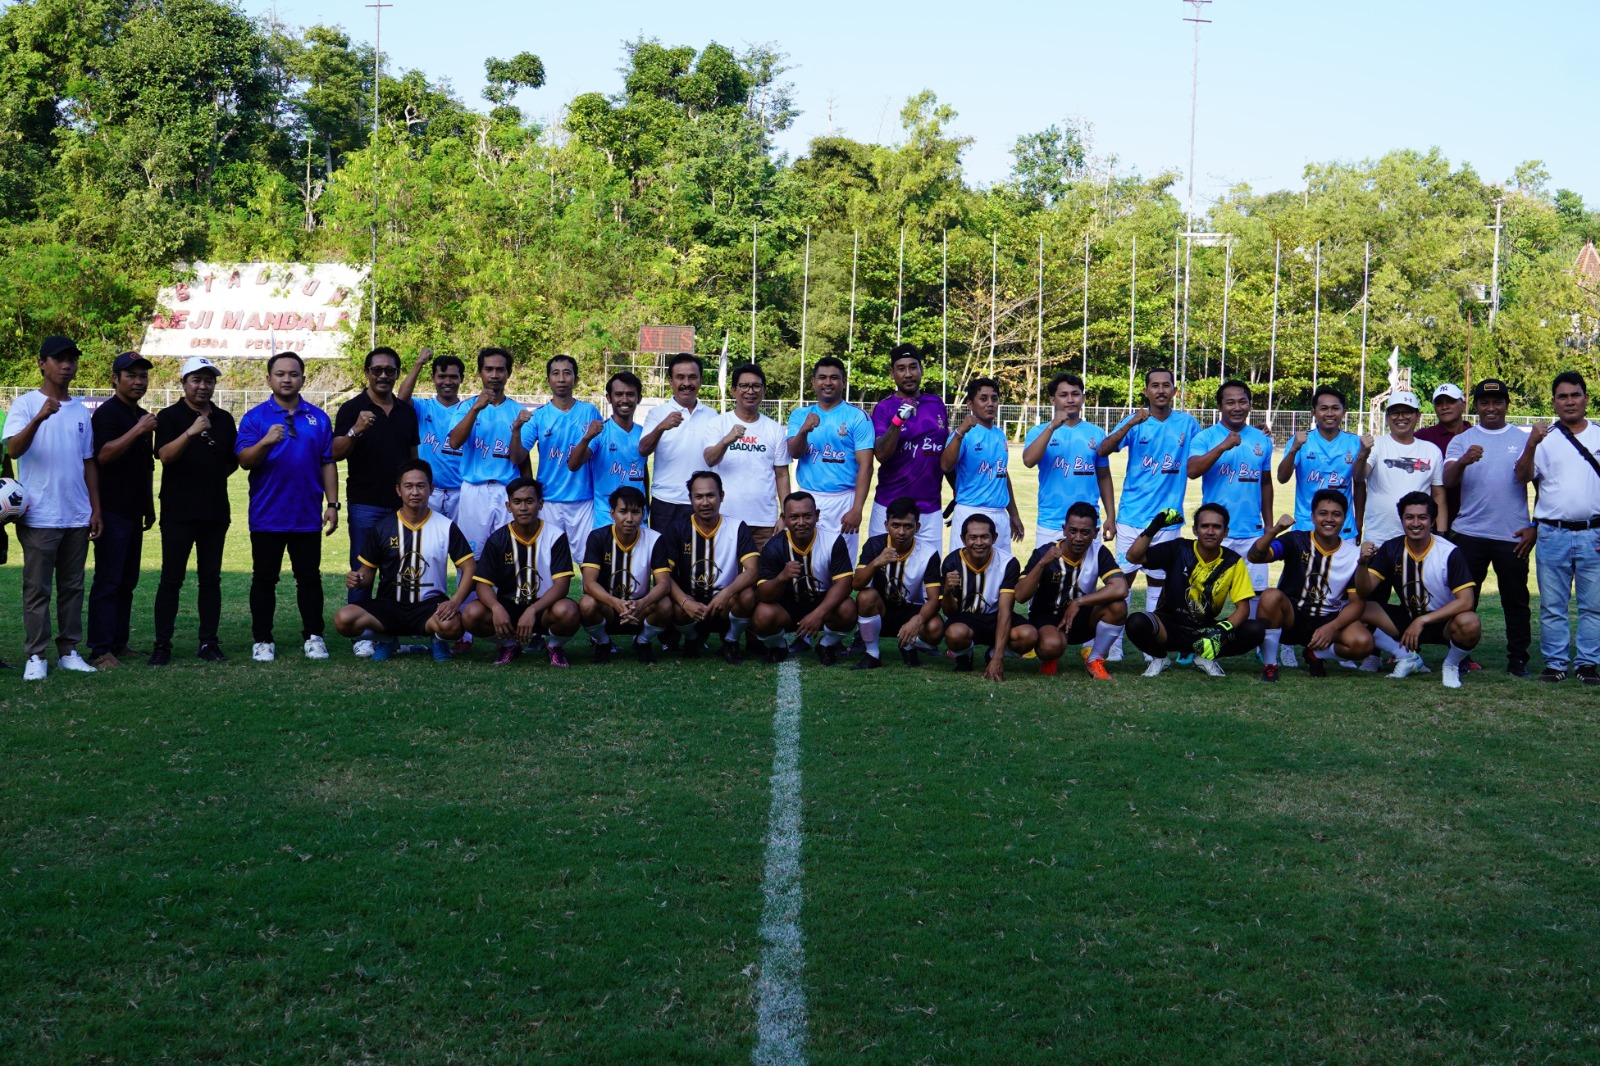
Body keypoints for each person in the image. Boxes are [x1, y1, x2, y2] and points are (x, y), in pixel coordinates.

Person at [3, 336, 102, 680]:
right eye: (59, 359)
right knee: (37, 588)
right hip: (39, 514)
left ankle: (69, 651)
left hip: (76, 514)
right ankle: (36, 656)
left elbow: (88, 461)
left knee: (73, 587)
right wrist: (40, 418)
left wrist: (95, 509)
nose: (67, 365)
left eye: (72, 359)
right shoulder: (26, 404)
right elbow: (14, 450)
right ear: (42, 363)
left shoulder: (80, 410)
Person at [235, 351, 339, 663]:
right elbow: (243, 461)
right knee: (264, 579)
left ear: (303, 379)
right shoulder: (255, 418)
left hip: (306, 516)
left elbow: (328, 462)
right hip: (267, 516)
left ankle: (314, 636)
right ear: (269, 379)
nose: (286, 379)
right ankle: (263, 639)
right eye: (280, 374)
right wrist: (265, 441)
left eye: (293, 374)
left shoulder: (318, 418)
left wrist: (333, 505)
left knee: (309, 578)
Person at [1098, 368, 1202, 656]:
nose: (1160, 390)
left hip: (1167, 520)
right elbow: (1104, 450)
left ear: (1174, 391)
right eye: (1154, 385)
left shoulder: (1188, 424)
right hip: (1132, 517)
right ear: (1145, 391)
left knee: (1159, 582)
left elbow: (1207, 449)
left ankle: (1150, 641)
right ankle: (1114, 644)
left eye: (1166, 385)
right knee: (1123, 582)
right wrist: (1130, 422)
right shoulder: (1137, 421)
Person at [334, 459, 475, 661]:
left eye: (420, 486)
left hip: (429, 605)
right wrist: (357, 578)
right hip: (389, 605)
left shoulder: (446, 527)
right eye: (408, 486)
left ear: (431, 489)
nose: (415, 492)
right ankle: (387, 639)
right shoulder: (383, 528)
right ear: (399, 490)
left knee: (452, 626)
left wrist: (455, 601)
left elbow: (469, 566)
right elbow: (367, 572)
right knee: (343, 620)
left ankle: (437, 640)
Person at [1443, 378, 1535, 677]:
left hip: (1512, 534)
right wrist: (1464, 461)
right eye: (1484, 402)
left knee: (1516, 600)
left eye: (1497, 402)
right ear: (1476, 406)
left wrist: (1534, 526)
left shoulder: (1523, 438)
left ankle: (1518, 659)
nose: (1491, 408)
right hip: (1470, 533)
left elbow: (1541, 484)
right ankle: (1459, 657)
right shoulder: (1462, 440)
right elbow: (1448, 480)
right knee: (1464, 599)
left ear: (1507, 404)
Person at [333, 346, 420, 656]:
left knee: (398, 570)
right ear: (367, 373)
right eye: (377, 370)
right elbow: (335, 452)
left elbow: (413, 458)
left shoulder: (407, 411)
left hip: (401, 506)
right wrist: (356, 429)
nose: (383, 375)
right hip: (365, 503)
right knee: (362, 568)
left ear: (397, 373)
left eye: (390, 370)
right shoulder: (351, 409)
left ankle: (393, 630)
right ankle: (362, 634)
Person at [150, 356, 237, 665]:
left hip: (214, 511)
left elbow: (230, 462)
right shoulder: (170, 416)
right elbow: (165, 456)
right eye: (196, 380)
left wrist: (209, 477)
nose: (203, 386)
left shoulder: (225, 419)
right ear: (183, 383)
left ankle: (208, 642)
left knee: (210, 579)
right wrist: (191, 431)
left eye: (208, 380)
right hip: (178, 511)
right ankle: (162, 645)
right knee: (171, 579)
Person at [1515, 371, 1600, 684]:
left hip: (1594, 533)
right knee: (1553, 606)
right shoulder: (1545, 439)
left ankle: (1588, 664)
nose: (1569, 401)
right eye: (1562, 396)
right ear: (1553, 402)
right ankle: (1556, 664)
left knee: (1594, 606)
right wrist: (1531, 443)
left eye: (1575, 395)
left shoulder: (1599, 435)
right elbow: (1522, 476)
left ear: (1586, 398)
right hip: (1552, 533)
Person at [1124, 504, 1265, 677]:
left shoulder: (1233, 562)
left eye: (1217, 527)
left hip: (1205, 632)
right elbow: (1133, 556)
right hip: (1167, 628)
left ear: (1226, 532)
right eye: (1205, 526)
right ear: (1195, 530)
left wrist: (1219, 632)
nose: (1210, 531)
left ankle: (1206, 656)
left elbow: (1243, 609)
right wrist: (1155, 525)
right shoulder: (1179, 548)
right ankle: (1160, 658)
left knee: (1255, 629)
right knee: (1136, 622)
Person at [1357, 491, 1480, 688]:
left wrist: (1423, 620)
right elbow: (1364, 591)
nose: (1416, 523)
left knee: (1470, 622)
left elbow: (1466, 601)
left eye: (1422, 517)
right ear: (1402, 520)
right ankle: (1407, 657)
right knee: (1356, 608)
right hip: (1408, 619)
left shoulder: (1449, 552)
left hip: (1442, 621)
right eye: (1409, 517)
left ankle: (1450, 665)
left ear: (1432, 521)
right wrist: (1362, 564)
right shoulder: (1391, 548)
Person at [1248, 492, 1374, 683]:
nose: (1329, 519)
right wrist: (1274, 531)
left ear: (1345, 518)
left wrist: (1332, 627)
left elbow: (1357, 604)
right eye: (1323, 513)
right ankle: (1270, 665)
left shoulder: (1353, 554)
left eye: (1336, 514)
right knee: (1270, 595)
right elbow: (1255, 556)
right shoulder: (1296, 540)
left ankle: (1316, 654)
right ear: (1313, 517)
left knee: (1363, 643)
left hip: (1326, 619)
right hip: (1292, 616)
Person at [87, 351, 157, 668]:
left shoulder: (139, 415)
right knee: (108, 582)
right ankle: (100, 650)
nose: (138, 381)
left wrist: (149, 506)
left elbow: (144, 468)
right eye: (131, 375)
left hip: (133, 511)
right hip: (111, 512)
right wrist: (139, 431)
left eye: (142, 376)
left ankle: (119, 642)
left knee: (127, 582)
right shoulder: (108, 414)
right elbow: (103, 455)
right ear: (115, 379)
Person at [462, 478, 579, 667]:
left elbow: (562, 585)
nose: (523, 507)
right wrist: (496, 608)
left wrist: (533, 609)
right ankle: (509, 645)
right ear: (508, 506)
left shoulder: (555, 536)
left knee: (568, 610)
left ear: (540, 504)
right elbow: (483, 584)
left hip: (544, 609)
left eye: (529, 501)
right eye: (517, 502)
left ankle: (555, 647)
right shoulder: (498, 539)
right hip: (508, 609)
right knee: (471, 613)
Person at [1012, 502, 1128, 681]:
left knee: (1118, 607)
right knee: (1051, 646)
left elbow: (1121, 588)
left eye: (1085, 532)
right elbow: (1019, 596)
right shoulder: (1045, 552)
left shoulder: (1098, 552)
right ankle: (1051, 657)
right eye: (1073, 531)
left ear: (1095, 533)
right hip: (1047, 619)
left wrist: (1079, 602)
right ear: (1064, 529)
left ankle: (1095, 659)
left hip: (1080, 617)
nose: (1078, 538)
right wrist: (1042, 563)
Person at [1187, 379, 1274, 601]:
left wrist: (1269, 525)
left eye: (1242, 402)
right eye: (1230, 402)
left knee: (1256, 597)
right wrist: (1223, 446)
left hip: (1251, 532)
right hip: (1214, 532)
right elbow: (1192, 470)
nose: (1237, 407)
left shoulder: (1261, 440)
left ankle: (1252, 637)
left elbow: (1266, 483)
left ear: (1250, 405)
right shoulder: (1205, 437)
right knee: (1203, 595)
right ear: (1220, 406)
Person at [663, 470, 759, 663]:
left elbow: (753, 570)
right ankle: (692, 638)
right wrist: (684, 601)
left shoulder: (737, 527)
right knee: (672, 604)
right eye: (698, 497)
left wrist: (727, 593)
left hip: (723, 603)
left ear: (721, 496)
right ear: (690, 499)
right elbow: (664, 575)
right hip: (691, 602)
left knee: (748, 594)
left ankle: (731, 641)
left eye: (710, 495)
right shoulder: (677, 528)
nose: (705, 502)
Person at [513, 354, 601, 563]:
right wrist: (516, 430)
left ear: (576, 379)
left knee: (588, 562)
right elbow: (517, 457)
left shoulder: (590, 412)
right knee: (546, 562)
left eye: (567, 373)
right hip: (549, 501)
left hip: (582, 501)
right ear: (548, 380)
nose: (561, 378)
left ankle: (588, 597)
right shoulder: (539, 416)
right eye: (556, 373)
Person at [753, 491, 858, 665]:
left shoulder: (833, 540)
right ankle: (778, 647)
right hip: (787, 605)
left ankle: (826, 645)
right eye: (794, 517)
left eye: (807, 516)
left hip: (821, 602)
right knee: (762, 615)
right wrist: (782, 577)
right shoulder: (773, 546)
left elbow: (845, 584)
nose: (801, 523)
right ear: (784, 519)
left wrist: (818, 613)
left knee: (847, 608)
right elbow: (764, 594)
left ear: (817, 515)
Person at [786, 357, 874, 560]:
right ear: (813, 382)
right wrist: (804, 430)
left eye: (834, 378)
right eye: (822, 377)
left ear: (843, 382)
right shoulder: (800, 415)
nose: (828, 382)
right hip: (809, 498)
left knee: (842, 561)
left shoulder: (857, 417)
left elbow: (866, 466)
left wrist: (857, 509)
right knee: (807, 558)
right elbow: (794, 453)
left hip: (844, 499)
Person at [579, 486, 674, 664]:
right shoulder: (598, 537)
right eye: (623, 512)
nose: (629, 519)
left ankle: (643, 641)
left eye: (635, 512)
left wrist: (641, 603)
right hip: (608, 606)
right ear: (612, 513)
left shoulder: (654, 539)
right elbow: (588, 583)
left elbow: (664, 584)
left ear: (643, 514)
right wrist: (615, 602)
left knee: (665, 604)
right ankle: (603, 642)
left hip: (639, 608)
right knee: (587, 603)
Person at [869, 344, 948, 554]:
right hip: (889, 507)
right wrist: (897, 422)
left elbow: (943, 454)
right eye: (901, 368)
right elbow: (882, 455)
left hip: (929, 508)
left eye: (913, 367)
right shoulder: (884, 408)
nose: (908, 374)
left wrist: (958, 492)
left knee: (928, 578)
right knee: (881, 574)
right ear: (892, 373)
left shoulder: (936, 404)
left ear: (921, 370)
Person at [447, 347, 526, 555]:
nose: (494, 375)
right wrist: (476, 408)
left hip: (507, 490)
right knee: (472, 556)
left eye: (500, 370)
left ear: (508, 373)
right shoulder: (466, 407)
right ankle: (472, 590)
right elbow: (454, 442)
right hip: (474, 490)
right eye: (488, 369)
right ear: (480, 373)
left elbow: (521, 459)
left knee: (509, 554)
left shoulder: (519, 411)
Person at [1023, 372, 1114, 550]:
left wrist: (1111, 515)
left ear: (1083, 398)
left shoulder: (1096, 433)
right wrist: (1052, 427)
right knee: (1048, 573)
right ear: (1052, 399)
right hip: (1051, 520)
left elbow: (1104, 476)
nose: (1070, 400)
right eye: (1063, 395)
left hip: (1088, 523)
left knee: (1087, 577)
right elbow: (1028, 461)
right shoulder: (1038, 431)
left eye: (1075, 394)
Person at [702, 363, 790, 548]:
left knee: (763, 575)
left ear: (764, 391)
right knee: (725, 576)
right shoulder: (718, 424)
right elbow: (710, 459)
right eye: (744, 386)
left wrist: (785, 515)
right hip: (725, 518)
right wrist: (727, 440)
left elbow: (782, 475)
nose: (750, 391)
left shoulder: (775, 429)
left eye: (756, 386)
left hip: (764, 522)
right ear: (734, 390)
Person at [939, 513, 1034, 682]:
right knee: (954, 634)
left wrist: (998, 658)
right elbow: (950, 611)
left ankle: (992, 655)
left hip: (995, 617)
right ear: (962, 538)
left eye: (985, 537)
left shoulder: (1008, 563)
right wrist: (946, 591)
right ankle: (964, 654)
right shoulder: (952, 561)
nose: (979, 543)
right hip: (965, 619)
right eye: (973, 537)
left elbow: (1005, 612)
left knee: (1028, 635)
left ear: (995, 537)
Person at [853, 496, 945, 669]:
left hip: (911, 610)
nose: (901, 532)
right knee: (866, 596)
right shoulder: (874, 545)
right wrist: (875, 563)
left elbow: (934, 599)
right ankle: (872, 654)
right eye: (896, 525)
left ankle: (908, 645)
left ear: (917, 527)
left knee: (936, 627)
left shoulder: (929, 552)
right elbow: (856, 584)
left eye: (908, 526)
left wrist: (917, 620)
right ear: (886, 525)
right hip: (881, 610)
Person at [942, 377, 1024, 550]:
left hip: (999, 514)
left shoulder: (1000, 434)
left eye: (994, 399)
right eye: (983, 398)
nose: (990, 404)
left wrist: (1014, 514)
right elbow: (945, 466)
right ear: (970, 404)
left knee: (999, 573)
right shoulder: (963, 434)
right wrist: (960, 432)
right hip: (970, 512)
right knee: (965, 572)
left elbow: (1002, 474)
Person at [1354, 391, 1446, 545]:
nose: (1401, 417)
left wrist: (1441, 533)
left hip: (1418, 539)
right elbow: (1358, 476)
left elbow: (1438, 495)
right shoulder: (1377, 445)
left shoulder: (1432, 450)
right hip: (1378, 537)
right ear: (1387, 417)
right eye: (1395, 413)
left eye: (1407, 412)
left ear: (1418, 416)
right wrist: (1363, 454)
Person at [641, 354, 718, 533]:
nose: (686, 383)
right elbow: (643, 449)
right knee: (664, 559)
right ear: (671, 381)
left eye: (692, 377)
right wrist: (661, 427)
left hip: (701, 502)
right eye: (680, 377)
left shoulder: (712, 415)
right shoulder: (657, 413)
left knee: (699, 559)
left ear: (700, 380)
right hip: (665, 502)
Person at [1277, 385, 1360, 540]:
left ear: (1344, 412)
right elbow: (1282, 478)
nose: (1329, 413)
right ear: (1314, 413)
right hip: (1306, 528)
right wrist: (1294, 449)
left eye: (1335, 408)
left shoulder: (1354, 442)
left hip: (1344, 530)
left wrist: (1358, 523)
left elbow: (1360, 483)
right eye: (1323, 408)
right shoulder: (1300, 441)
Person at [397, 347, 469, 519]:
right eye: (442, 376)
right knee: (427, 542)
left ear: (461, 379)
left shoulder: (470, 411)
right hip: (429, 492)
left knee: (459, 543)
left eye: (453, 376)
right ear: (433, 378)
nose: (447, 381)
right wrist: (419, 363)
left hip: (461, 491)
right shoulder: (423, 407)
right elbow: (401, 398)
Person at [571, 371, 647, 531]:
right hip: (606, 518)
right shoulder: (600, 432)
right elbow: (573, 465)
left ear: (639, 398)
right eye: (619, 394)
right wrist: (586, 438)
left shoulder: (644, 433)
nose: (625, 400)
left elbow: (643, 472)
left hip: (637, 517)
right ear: (609, 398)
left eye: (630, 394)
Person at [1417, 383, 1472, 525]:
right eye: (1439, 403)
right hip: (1432, 516)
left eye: (1451, 401)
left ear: (1463, 405)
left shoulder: (1476, 435)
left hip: (1472, 516)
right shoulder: (1423, 436)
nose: (1444, 406)